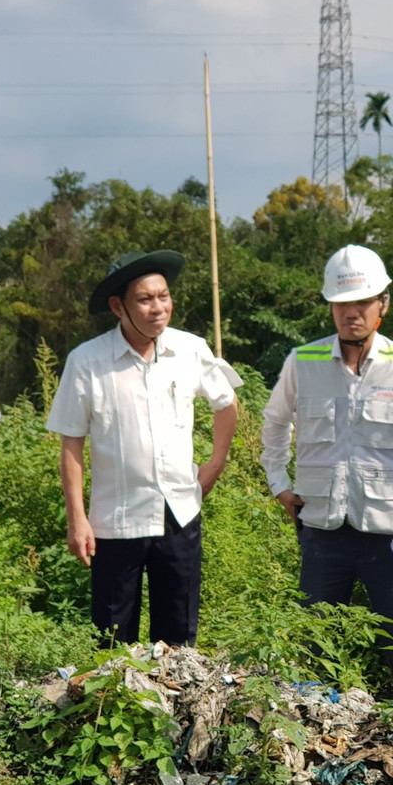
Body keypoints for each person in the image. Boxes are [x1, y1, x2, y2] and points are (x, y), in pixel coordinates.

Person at [261, 245, 393, 693]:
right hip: (323, 531)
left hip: (391, 532)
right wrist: (279, 485)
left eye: (363, 302)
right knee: (316, 645)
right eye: (343, 304)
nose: (352, 313)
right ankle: (316, 737)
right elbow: (274, 424)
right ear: (330, 305)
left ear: (383, 303)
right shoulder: (302, 362)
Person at [46, 250, 240, 647]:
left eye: (164, 296)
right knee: (114, 639)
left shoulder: (190, 348)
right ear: (118, 306)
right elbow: (71, 445)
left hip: (179, 512)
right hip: (116, 519)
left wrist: (215, 463)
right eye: (145, 299)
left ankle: (174, 708)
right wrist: (76, 518)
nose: (158, 308)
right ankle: (118, 704)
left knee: (179, 638)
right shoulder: (87, 361)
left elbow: (226, 403)